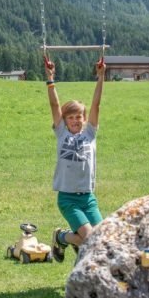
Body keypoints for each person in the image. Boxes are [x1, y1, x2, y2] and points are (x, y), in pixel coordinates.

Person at [45, 57, 106, 262]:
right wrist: (50, 79)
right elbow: (54, 104)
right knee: (89, 238)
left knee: (102, 239)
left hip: (88, 198)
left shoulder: (90, 133)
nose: (74, 120)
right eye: (70, 117)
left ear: (85, 119)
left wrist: (101, 77)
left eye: (78, 117)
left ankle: (63, 238)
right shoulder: (62, 133)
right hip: (68, 199)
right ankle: (62, 237)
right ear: (64, 120)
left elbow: (96, 104)